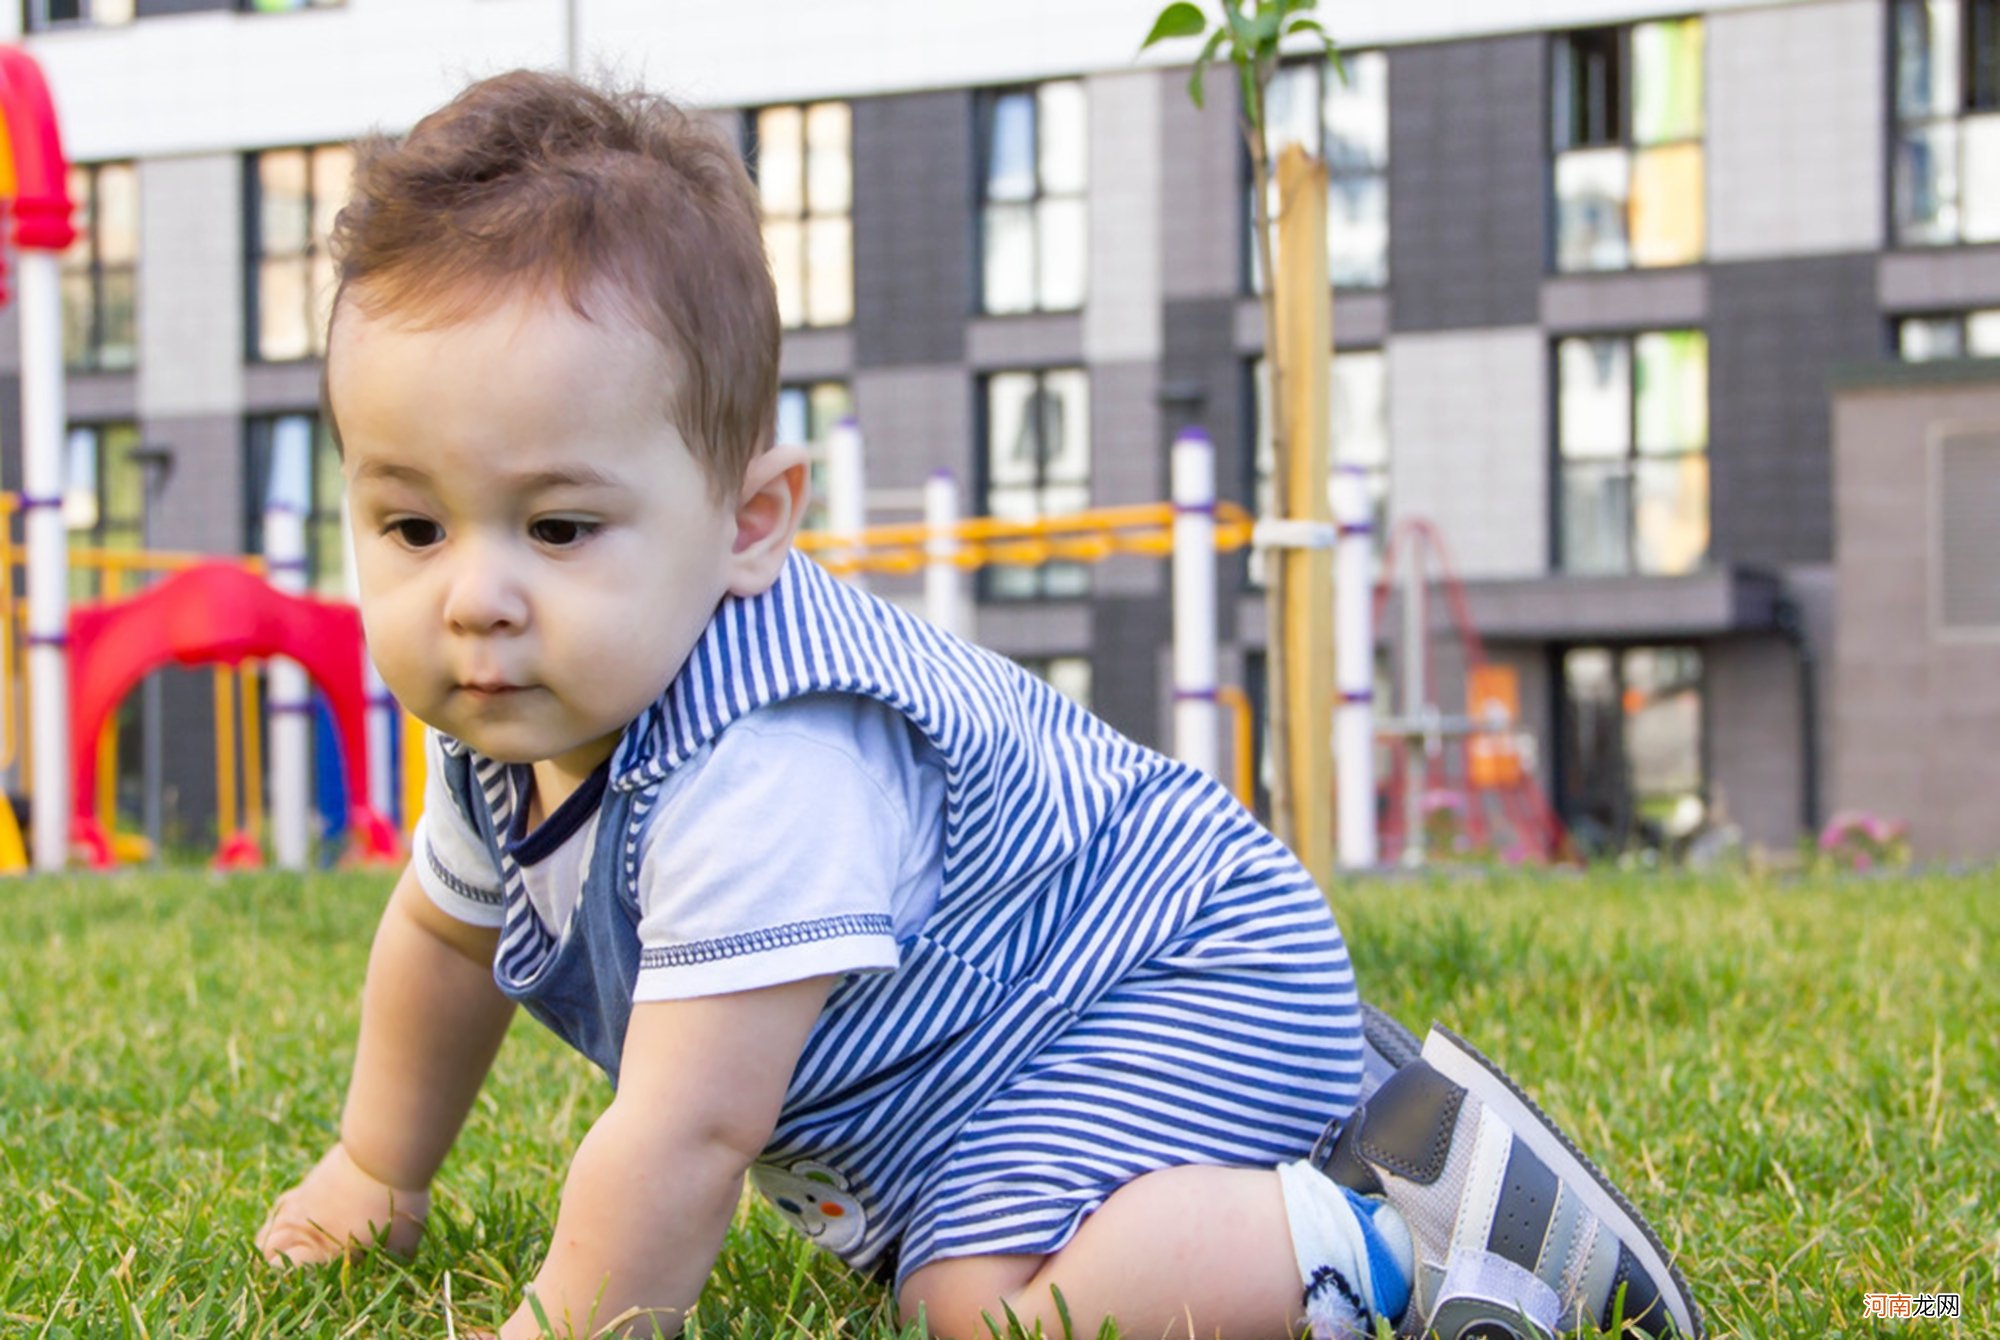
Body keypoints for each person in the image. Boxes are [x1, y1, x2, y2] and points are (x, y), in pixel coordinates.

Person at [255, 69, 1700, 1340]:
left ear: (752, 520)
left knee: (982, 1308)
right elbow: (444, 942)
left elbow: (691, 1125)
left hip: (1160, 982)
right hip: (1029, 1029)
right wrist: (378, 1169)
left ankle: (1406, 1237)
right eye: (412, 526)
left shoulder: (768, 762)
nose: (476, 597)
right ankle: (1330, 1141)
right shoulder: (520, 722)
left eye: (558, 529)